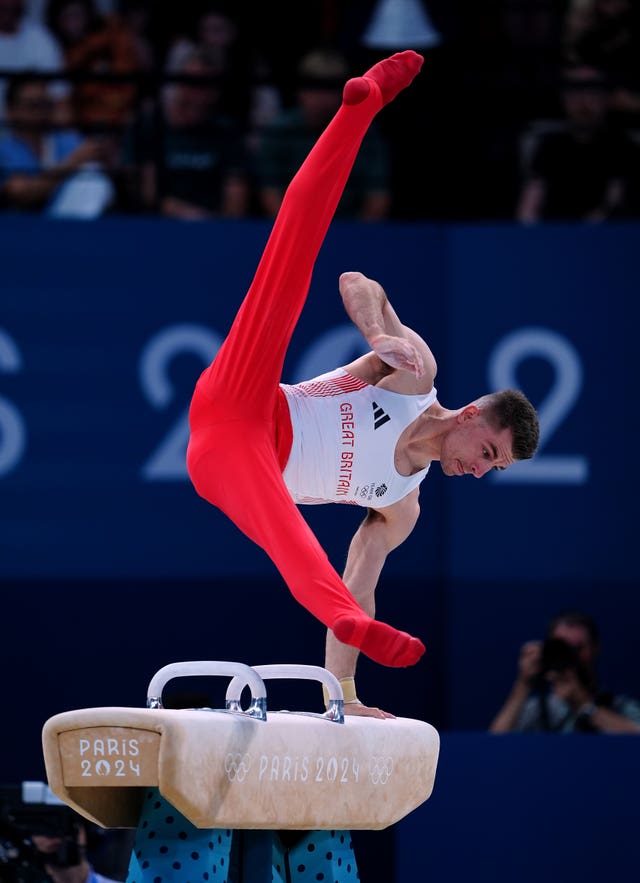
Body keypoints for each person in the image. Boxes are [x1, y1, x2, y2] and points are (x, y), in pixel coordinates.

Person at [186, 50, 540, 718]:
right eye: (491, 453)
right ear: (469, 415)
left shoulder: (401, 505)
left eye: (496, 468)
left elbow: (361, 579)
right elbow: (356, 281)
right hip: (244, 399)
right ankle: (360, 107)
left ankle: (345, 637)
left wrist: (343, 694)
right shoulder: (416, 376)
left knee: (298, 543)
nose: (481, 472)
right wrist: (380, 336)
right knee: (287, 259)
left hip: (238, 465)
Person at [253, 47, 391, 222]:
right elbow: (269, 192)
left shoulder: (366, 133)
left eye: (330, 88)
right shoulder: (279, 131)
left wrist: (357, 236)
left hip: (351, 230)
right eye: (315, 88)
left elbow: (377, 197)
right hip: (294, 228)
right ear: (301, 90)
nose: (322, 97)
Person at [516, 64, 636, 222]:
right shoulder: (550, 145)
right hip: (553, 234)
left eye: (592, 91)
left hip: (604, 237)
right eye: (574, 92)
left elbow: (614, 200)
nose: (583, 101)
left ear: (606, 98)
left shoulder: (622, 145)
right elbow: (530, 203)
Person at [489, 609, 640, 734]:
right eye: (562, 648)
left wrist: (583, 705)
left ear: (595, 649)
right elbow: (494, 745)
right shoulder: (538, 710)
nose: (571, 657)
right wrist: (524, 683)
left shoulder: (619, 707)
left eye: (577, 649)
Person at [0, 71, 116, 215]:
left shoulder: (67, 140)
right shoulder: (3, 149)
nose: (41, 112)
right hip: (18, 229)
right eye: (33, 105)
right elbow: (20, 194)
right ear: (10, 110)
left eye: (46, 104)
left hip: (67, 227)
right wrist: (73, 162)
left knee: (94, 179)